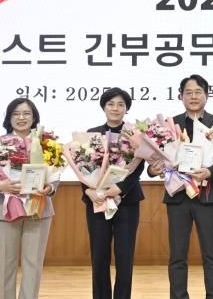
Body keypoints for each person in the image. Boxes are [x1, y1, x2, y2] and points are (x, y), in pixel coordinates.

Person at [148, 74, 213, 299]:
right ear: (181, 96)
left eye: (198, 92)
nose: (193, 97)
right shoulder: (169, 125)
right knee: (177, 255)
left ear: (207, 95)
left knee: (211, 254)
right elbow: (155, 160)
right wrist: (153, 170)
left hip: (207, 196)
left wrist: (210, 172)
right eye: (189, 93)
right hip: (178, 197)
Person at [0, 97, 56, 299]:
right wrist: (0, 186)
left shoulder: (46, 144)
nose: (21, 117)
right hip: (3, 210)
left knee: (33, 265)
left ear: (34, 118)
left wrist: (50, 187)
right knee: (4, 266)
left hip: (38, 210)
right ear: (9, 118)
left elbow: (55, 172)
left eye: (26, 113)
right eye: (15, 114)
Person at [83, 87, 145, 299]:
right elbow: (83, 166)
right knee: (99, 256)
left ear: (126, 108)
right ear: (104, 107)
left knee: (124, 257)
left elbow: (138, 167)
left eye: (120, 104)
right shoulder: (92, 134)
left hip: (127, 202)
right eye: (110, 104)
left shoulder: (135, 135)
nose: (115, 108)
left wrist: (120, 189)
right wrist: (89, 191)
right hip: (97, 201)